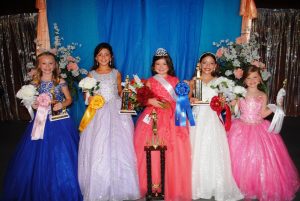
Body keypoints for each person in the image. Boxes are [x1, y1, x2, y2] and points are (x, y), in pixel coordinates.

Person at [1, 52, 83, 201]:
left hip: (60, 121)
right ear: (39, 65)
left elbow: (69, 99)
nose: (47, 66)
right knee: (37, 151)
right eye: (44, 63)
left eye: (50, 63)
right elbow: (31, 101)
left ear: (55, 65)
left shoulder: (60, 81)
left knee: (62, 150)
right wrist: (33, 104)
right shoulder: (35, 82)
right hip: (40, 121)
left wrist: (62, 103)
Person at [77, 42, 140, 201]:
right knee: (99, 144)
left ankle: (122, 185)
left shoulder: (116, 73)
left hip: (116, 109)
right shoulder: (91, 74)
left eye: (106, 54)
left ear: (111, 57)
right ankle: (100, 185)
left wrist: (128, 93)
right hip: (98, 111)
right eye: (100, 54)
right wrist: (89, 97)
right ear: (96, 57)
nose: (103, 57)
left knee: (119, 145)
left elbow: (119, 91)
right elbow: (87, 96)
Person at [227, 65, 300, 201]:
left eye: (255, 77)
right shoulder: (240, 93)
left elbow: (263, 113)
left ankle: (258, 184)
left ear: (260, 79)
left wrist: (276, 106)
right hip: (242, 127)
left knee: (262, 158)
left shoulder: (262, 95)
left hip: (259, 127)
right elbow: (234, 112)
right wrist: (232, 104)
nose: (252, 80)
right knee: (239, 158)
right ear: (244, 80)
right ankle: (239, 184)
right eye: (249, 78)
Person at [134, 48, 191, 201]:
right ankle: (152, 183)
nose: (161, 67)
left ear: (169, 65)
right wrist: (148, 101)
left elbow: (181, 98)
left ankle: (171, 184)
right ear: (153, 66)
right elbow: (142, 98)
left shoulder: (175, 80)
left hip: (172, 115)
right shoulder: (150, 81)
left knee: (173, 148)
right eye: (158, 64)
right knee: (151, 147)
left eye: (164, 64)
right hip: (153, 116)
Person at [189, 52, 243, 201]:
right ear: (199, 65)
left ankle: (214, 183)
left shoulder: (220, 81)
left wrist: (223, 102)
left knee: (213, 147)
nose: (207, 66)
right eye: (204, 63)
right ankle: (196, 184)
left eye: (211, 63)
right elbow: (187, 99)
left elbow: (223, 100)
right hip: (198, 117)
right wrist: (191, 99)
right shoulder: (195, 80)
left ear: (215, 66)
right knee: (196, 146)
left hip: (212, 118)